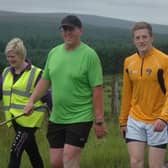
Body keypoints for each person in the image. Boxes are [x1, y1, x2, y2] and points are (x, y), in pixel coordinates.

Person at [24, 15, 107, 168]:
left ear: (80, 31)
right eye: (64, 29)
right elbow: (45, 80)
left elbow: (97, 89)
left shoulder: (90, 55)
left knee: (69, 157)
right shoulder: (54, 53)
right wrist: (31, 101)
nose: (67, 33)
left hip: (81, 116)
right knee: (56, 162)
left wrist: (99, 120)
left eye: (71, 29)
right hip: (57, 116)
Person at [119, 21, 168, 168]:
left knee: (155, 165)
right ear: (133, 40)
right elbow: (127, 93)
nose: (141, 41)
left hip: (157, 120)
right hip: (135, 119)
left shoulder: (164, 61)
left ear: (152, 38)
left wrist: (164, 118)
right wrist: (123, 121)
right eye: (138, 37)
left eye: (144, 37)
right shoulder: (129, 62)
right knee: (135, 162)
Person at [0, 37, 51, 168]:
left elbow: (48, 97)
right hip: (15, 119)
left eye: (13, 56)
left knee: (15, 151)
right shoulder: (6, 72)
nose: (10, 60)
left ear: (22, 55)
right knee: (32, 152)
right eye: (8, 57)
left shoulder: (36, 73)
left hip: (29, 121)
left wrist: (56, 117)